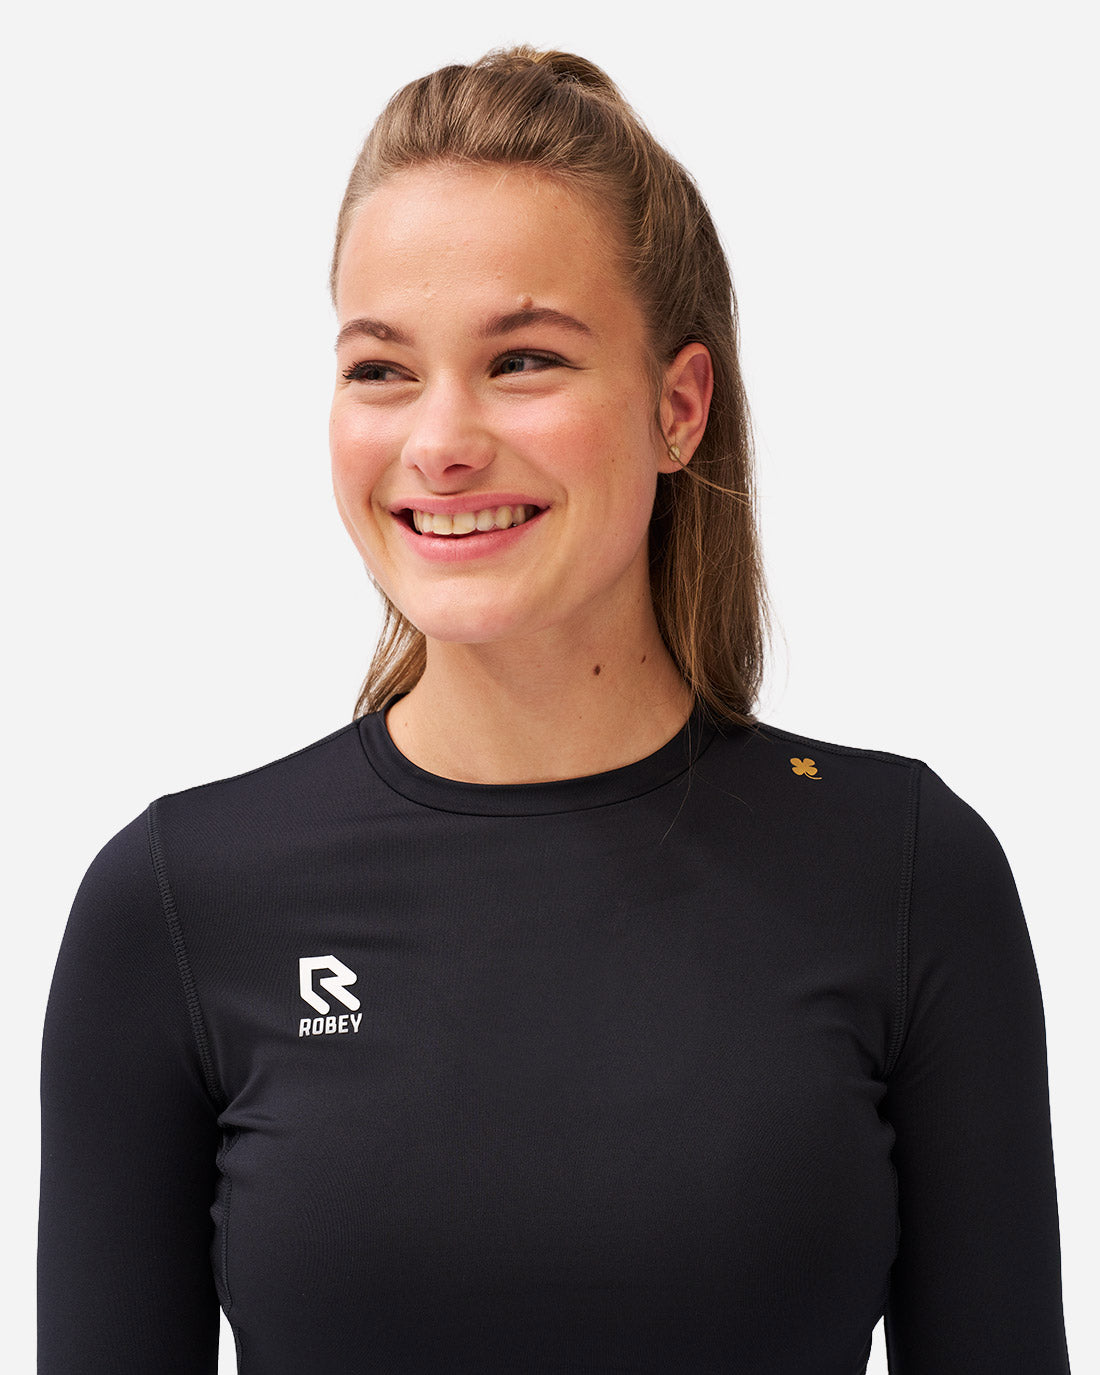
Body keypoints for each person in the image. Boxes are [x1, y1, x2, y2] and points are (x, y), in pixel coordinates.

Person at [38, 45, 1071, 1375]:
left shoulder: (906, 871)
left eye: (523, 360)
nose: (440, 443)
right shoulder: (178, 904)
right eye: (380, 369)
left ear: (678, 407)